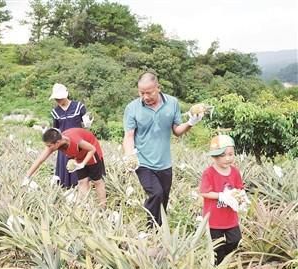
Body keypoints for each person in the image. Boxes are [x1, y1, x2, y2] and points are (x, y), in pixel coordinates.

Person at [122, 71, 203, 227]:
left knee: (163, 199)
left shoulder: (172, 103)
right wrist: (129, 156)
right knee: (156, 193)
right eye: (141, 93)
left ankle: (160, 231)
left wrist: (191, 122)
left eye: (149, 92)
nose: (145, 96)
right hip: (143, 162)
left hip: (165, 163)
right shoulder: (132, 108)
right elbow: (129, 136)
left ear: (158, 87)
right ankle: (150, 230)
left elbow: (177, 131)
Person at [24, 128, 106, 207]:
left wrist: (83, 163)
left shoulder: (74, 140)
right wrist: (27, 177)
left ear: (58, 142)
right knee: (82, 182)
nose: (48, 148)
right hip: (79, 155)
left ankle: (103, 207)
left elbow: (92, 149)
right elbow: (40, 160)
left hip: (92, 153)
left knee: (97, 181)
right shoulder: (54, 143)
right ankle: (83, 206)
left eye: (49, 146)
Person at [199, 134, 244, 265]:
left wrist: (240, 197)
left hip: (231, 218)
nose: (227, 158)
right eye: (222, 155)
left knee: (236, 240)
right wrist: (221, 196)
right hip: (214, 219)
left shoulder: (235, 172)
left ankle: (227, 259)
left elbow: (239, 189)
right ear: (214, 157)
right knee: (217, 247)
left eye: (231, 154)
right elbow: (204, 192)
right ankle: (220, 263)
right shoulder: (209, 172)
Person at [50, 83, 93, 188]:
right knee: (66, 171)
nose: (58, 101)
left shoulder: (78, 107)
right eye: (56, 99)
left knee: (80, 172)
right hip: (63, 145)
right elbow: (56, 129)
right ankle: (67, 191)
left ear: (66, 95)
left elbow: (86, 124)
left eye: (60, 98)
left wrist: (87, 125)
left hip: (78, 143)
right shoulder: (55, 112)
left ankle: (82, 191)